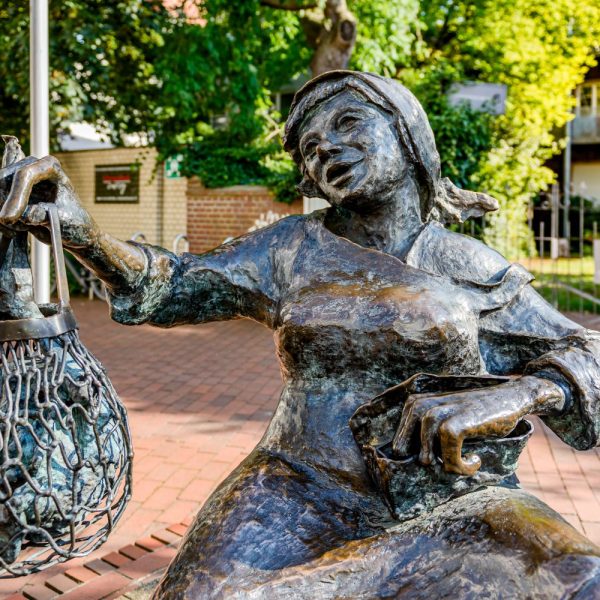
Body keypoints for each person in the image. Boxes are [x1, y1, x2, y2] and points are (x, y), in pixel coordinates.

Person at [1, 71, 599, 598]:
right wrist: (84, 234)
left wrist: (517, 393)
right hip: (296, 485)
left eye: (348, 123)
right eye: (311, 148)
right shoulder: (289, 248)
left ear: (407, 133)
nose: (326, 149)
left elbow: (585, 349)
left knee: (578, 575)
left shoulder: (467, 264)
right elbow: (174, 282)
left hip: (451, 497)